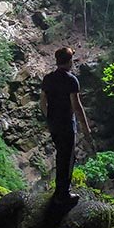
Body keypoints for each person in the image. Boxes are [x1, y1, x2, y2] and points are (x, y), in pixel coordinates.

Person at [39, 46, 93, 205]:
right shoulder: (71, 80)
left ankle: (60, 191)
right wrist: (86, 129)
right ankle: (63, 195)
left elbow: (42, 101)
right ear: (69, 62)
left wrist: (48, 117)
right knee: (67, 157)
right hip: (67, 125)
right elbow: (77, 106)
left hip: (54, 123)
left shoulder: (48, 78)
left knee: (60, 155)